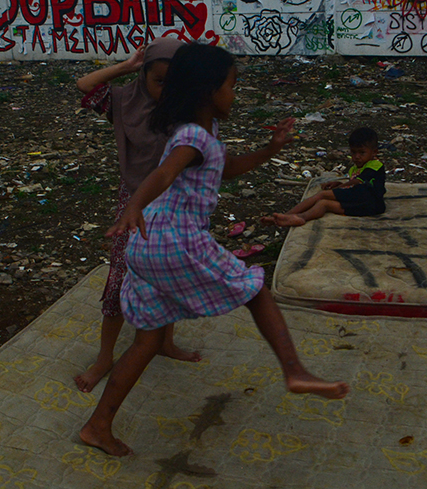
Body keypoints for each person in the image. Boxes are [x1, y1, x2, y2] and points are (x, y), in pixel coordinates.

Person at [79, 44, 350, 457]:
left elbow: (221, 168)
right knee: (256, 289)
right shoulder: (191, 136)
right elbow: (165, 172)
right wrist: (133, 204)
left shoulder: (198, 134)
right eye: (231, 86)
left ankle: (98, 426)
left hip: (147, 245)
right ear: (208, 90)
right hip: (175, 241)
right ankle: (294, 371)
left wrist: (270, 151)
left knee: (146, 342)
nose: (233, 95)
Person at [73, 38, 199, 393]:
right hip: (133, 204)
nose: (166, 90)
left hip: (176, 204)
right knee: (119, 278)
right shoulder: (124, 102)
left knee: (170, 276)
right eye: (158, 80)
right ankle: (104, 357)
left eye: (174, 82)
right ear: (143, 77)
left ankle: (165, 343)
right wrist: (127, 66)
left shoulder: (188, 110)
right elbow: (85, 86)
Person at [262, 126, 385, 227]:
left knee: (322, 195)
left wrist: (338, 189)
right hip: (362, 206)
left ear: (374, 152)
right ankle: (296, 218)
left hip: (372, 203)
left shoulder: (375, 165)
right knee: (323, 204)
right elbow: (353, 182)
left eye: (362, 153)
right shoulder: (355, 168)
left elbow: (358, 182)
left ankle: (287, 215)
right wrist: (339, 185)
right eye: (353, 152)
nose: (357, 156)